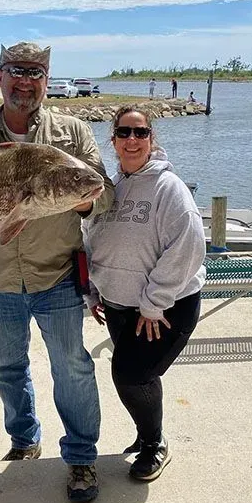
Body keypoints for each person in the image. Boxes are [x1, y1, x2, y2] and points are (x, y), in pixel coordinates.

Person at [0, 41, 114, 502]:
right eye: (16, 71)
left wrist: (72, 195)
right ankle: (24, 440)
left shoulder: (73, 132)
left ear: (46, 79)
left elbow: (102, 195)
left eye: (35, 73)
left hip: (57, 273)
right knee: (7, 367)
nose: (25, 82)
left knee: (73, 368)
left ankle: (81, 458)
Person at [83, 105, 206, 481]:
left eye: (140, 133)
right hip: (117, 305)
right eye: (124, 133)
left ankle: (155, 444)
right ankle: (145, 435)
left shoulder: (170, 188)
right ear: (113, 139)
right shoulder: (108, 187)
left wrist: (153, 304)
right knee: (140, 376)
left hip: (165, 308)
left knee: (130, 374)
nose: (132, 140)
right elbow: (91, 240)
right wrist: (94, 291)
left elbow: (188, 246)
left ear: (152, 139)